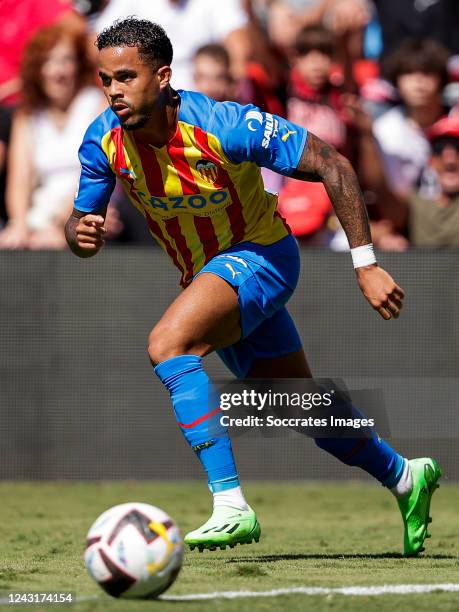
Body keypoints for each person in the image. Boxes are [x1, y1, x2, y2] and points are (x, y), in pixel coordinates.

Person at [65, 18, 440, 557]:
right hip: (208, 276)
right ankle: (405, 475)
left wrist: (365, 263)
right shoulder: (102, 141)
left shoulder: (224, 124)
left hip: (262, 256)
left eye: (126, 77)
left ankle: (230, 505)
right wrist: (80, 235)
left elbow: (333, 164)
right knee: (297, 406)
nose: (114, 91)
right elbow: (80, 230)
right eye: (106, 79)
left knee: (168, 345)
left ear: (164, 76)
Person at [0, 24, 106, 250]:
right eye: (48, 61)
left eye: (65, 60)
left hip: (88, 211)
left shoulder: (97, 105)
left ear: (78, 65)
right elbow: (20, 178)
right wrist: (19, 224)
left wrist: (62, 224)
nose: (57, 71)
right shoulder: (27, 115)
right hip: (41, 214)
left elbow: (94, 175)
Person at [374, 116, 459, 247]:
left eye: (458, 148)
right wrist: (386, 238)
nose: (450, 159)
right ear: (431, 161)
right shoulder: (415, 202)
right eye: (439, 149)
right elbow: (383, 196)